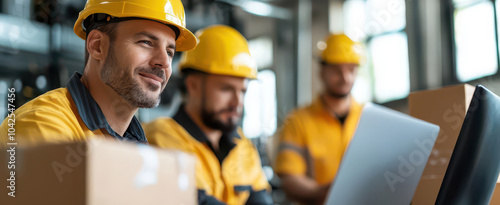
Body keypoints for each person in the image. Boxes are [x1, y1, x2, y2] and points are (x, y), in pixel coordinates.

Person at [0, 0, 197, 145]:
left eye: (170, 52)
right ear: (97, 46)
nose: (163, 62)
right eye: (146, 42)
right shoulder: (42, 129)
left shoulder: (137, 145)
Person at [143, 25, 273, 205]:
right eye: (226, 89)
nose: (237, 102)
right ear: (193, 85)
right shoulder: (158, 137)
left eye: (243, 91)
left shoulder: (243, 146)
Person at [274, 34, 364, 204]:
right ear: (322, 71)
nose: (345, 77)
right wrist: (322, 192)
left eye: (351, 69)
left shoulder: (368, 117)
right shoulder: (297, 121)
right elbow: (289, 179)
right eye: (337, 70)